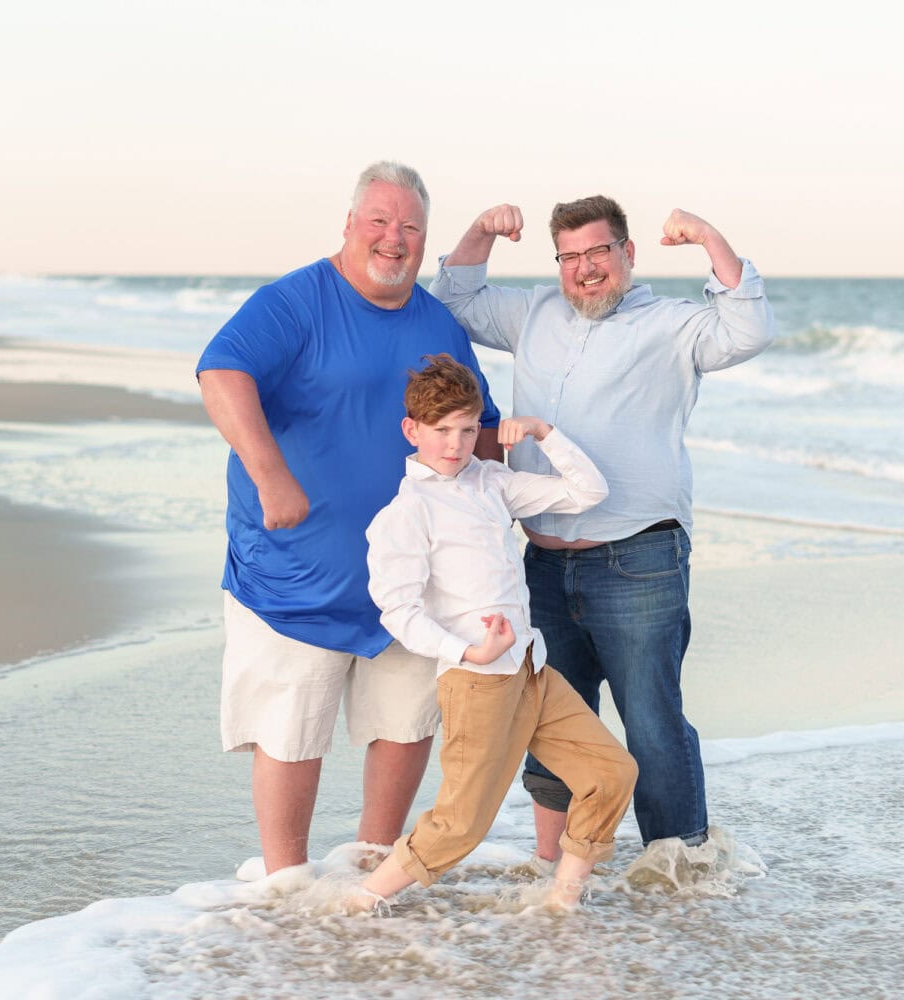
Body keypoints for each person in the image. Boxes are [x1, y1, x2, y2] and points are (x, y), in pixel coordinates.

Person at [429, 195, 776, 866]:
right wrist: (481, 230)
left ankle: (680, 869)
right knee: (550, 715)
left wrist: (706, 235)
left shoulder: (674, 325)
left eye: (598, 253)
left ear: (627, 254)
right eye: (571, 257)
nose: (585, 270)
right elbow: (454, 298)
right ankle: (556, 868)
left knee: (650, 722)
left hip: (638, 559)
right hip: (543, 564)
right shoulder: (534, 313)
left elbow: (750, 327)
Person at [196, 162, 501, 875]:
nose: (394, 240)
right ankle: (285, 886)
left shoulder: (437, 323)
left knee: (405, 723)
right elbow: (222, 372)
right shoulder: (296, 302)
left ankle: (374, 871)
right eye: (379, 223)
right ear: (349, 226)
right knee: (291, 730)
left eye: (410, 228)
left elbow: (477, 429)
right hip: (297, 571)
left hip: (411, 574)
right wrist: (271, 475)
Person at [346, 354, 636, 912]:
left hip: (531, 668)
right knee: (460, 826)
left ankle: (562, 902)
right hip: (477, 680)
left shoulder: (492, 482)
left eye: (464, 429)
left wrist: (543, 433)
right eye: (440, 431)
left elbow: (586, 492)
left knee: (610, 772)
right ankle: (357, 903)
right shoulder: (405, 513)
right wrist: (469, 651)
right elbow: (397, 611)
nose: (454, 444)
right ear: (412, 430)